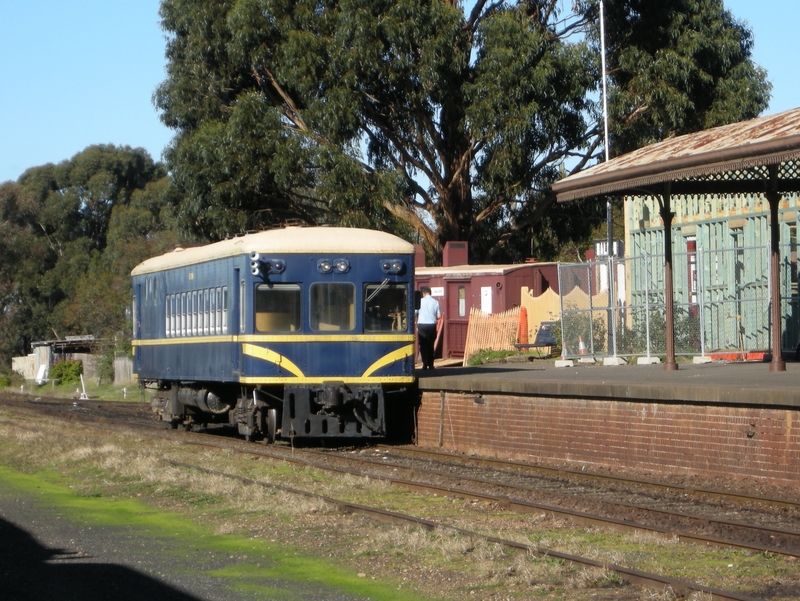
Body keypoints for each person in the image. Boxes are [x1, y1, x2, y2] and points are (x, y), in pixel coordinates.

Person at [416, 286, 442, 370]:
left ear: (423, 293)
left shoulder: (420, 301)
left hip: (422, 325)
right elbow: (439, 315)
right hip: (431, 325)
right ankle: (431, 364)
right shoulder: (436, 302)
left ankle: (424, 364)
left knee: (423, 345)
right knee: (430, 345)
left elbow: (415, 312)